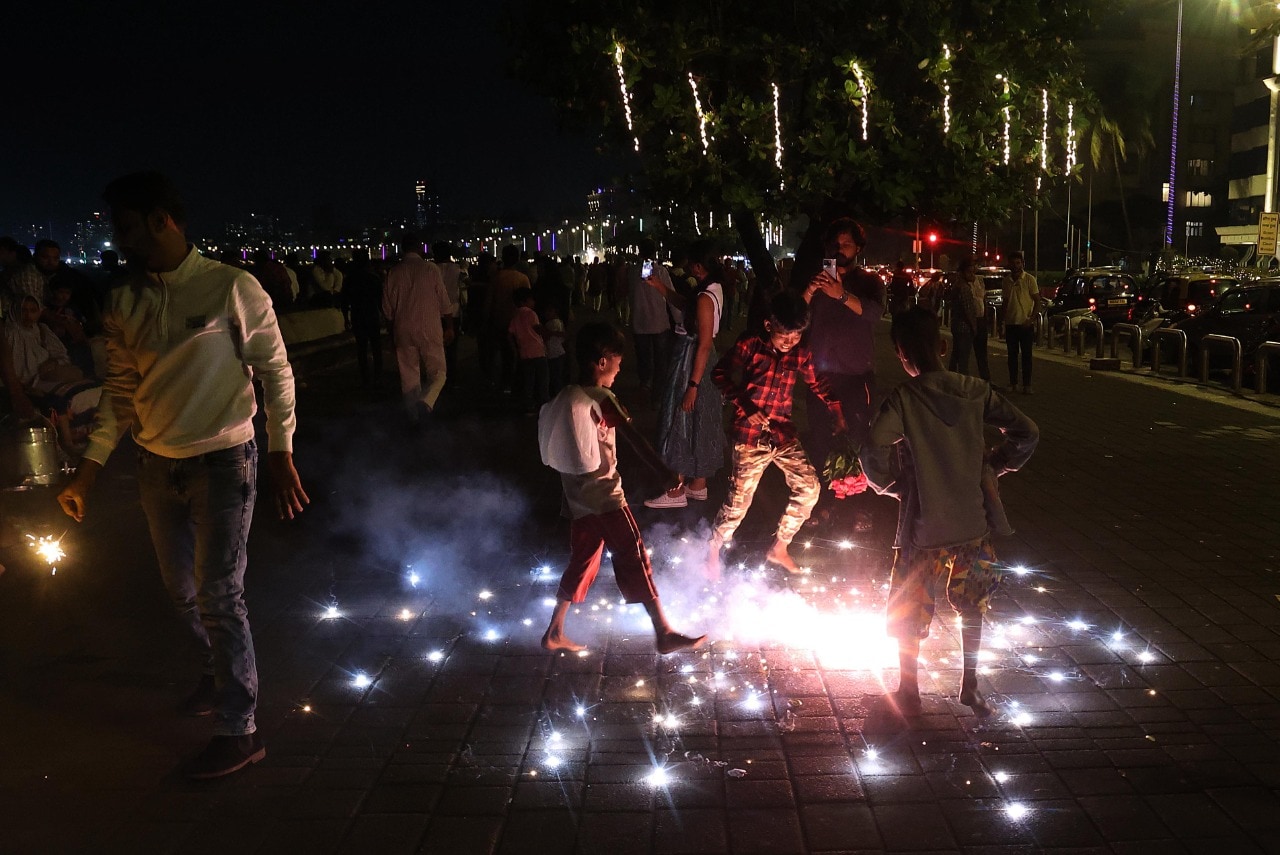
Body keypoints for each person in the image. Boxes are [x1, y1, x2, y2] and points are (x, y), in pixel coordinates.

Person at [56, 171, 308, 779]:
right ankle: (217, 670)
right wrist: (86, 474)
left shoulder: (231, 287)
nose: (120, 241)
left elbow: (274, 371)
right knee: (182, 592)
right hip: (155, 463)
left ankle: (239, 729)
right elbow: (120, 394)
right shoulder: (123, 301)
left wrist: (281, 450)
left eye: (126, 227)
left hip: (225, 461)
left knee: (220, 593)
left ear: (162, 221)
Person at [859, 307, 1038, 718]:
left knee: (910, 608)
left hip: (925, 527)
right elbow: (1028, 431)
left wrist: (893, 484)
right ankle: (970, 687)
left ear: (902, 356)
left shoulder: (905, 398)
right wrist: (996, 464)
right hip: (974, 524)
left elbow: (873, 448)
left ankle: (909, 690)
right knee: (972, 604)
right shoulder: (977, 390)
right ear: (942, 345)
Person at [536, 322, 706, 654]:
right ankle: (664, 632)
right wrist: (666, 474)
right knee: (634, 555)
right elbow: (634, 438)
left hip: (579, 500)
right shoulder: (602, 397)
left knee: (583, 560)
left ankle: (555, 630)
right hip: (607, 498)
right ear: (601, 361)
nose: (619, 367)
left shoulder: (565, 395)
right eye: (617, 360)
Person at [708, 292, 847, 576]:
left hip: (782, 433)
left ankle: (780, 547)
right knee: (738, 500)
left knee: (809, 487)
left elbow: (817, 382)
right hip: (750, 435)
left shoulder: (800, 352)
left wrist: (837, 410)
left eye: (796, 336)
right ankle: (712, 548)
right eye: (785, 335)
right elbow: (719, 374)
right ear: (769, 325)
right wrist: (745, 406)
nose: (789, 342)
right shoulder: (750, 344)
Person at [801, 217, 883, 532]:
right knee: (821, 439)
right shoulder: (818, 279)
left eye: (846, 243)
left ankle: (861, 505)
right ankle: (826, 504)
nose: (840, 248)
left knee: (859, 439)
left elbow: (875, 313)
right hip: (821, 375)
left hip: (856, 375)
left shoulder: (869, 281)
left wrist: (842, 296)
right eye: (835, 244)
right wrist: (809, 292)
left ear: (858, 248)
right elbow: (796, 317)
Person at [643, 240, 725, 509]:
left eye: (692, 262)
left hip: (692, 360)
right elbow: (687, 305)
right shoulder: (712, 290)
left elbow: (703, 343)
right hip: (702, 362)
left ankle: (675, 489)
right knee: (701, 421)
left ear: (699, 266)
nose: (689, 266)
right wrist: (661, 288)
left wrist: (693, 384)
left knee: (679, 417)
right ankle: (698, 485)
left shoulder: (704, 297)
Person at [382, 233, 454, 423]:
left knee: (409, 377)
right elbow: (445, 301)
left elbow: (388, 310)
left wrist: (391, 334)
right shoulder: (430, 269)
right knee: (439, 373)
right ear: (420, 248)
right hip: (429, 327)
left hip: (402, 329)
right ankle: (426, 402)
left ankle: (414, 418)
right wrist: (449, 326)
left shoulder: (394, 272)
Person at [628, 239, 673, 402]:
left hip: (640, 323)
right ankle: (657, 394)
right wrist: (679, 319)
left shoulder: (633, 271)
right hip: (659, 323)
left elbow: (630, 295)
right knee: (661, 361)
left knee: (644, 359)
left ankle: (645, 385)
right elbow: (670, 295)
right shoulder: (660, 271)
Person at [339, 248, 384, 388]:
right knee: (376, 347)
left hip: (358, 316)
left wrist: (346, 318)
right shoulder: (374, 278)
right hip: (372, 315)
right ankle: (378, 375)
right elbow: (380, 300)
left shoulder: (349, 279)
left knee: (361, 348)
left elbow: (344, 301)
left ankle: (365, 377)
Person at [1001, 251, 1041, 394]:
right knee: (1012, 356)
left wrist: (1031, 319)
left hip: (1025, 324)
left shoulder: (1030, 279)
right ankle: (1013, 383)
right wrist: (1003, 322)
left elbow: (1037, 301)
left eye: (1018, 263)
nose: (1016, 266)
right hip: (1011, 323)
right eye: (1013, 263)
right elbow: (1005, 302)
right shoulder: (1006, 281)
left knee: (1026, 356)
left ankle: (1027, 385)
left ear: (1022, 264)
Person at [946, 255, 990, 381]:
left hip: (962, 325)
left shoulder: (962, 284)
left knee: (957, 355)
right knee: (963, 357)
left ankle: (952, 379)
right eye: (969, 272)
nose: (972, 274)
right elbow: (968, 310)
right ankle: (961, 381)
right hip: (965, 327)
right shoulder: (963, 287)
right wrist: (974, 326)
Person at [509, 286, 549, 413]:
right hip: (537, 351)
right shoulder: (531, 313)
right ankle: (544, 405)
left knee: (528, 381)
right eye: (531, 300)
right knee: (543, 379)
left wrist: (515, 350)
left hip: (524, 353)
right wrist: (548, 333)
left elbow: (509, 333)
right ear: (524, 301)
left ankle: (528, 406)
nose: (534, 302)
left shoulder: (515, 315)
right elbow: (537, 328)